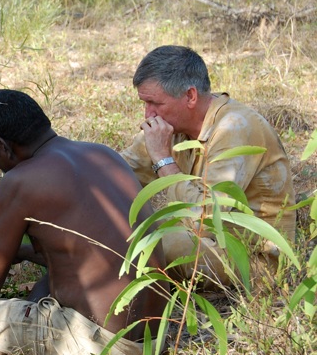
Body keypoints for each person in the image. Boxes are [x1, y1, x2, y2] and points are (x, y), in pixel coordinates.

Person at [0, 89, 169, 355]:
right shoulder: (104, 154)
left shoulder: (20, 181)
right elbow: (86, 248)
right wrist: (21, 252)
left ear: (3, 146)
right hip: (158, 335)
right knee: (47, 282)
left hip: (100, 346)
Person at [120, 45, 296, 289]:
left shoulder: (235, 127)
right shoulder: (172, 126)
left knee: (156, 239)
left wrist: (163, 160)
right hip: (209, 242)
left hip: (256, 261)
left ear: (190, 96)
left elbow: (205, 221)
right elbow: (119, 170)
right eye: (144, 103)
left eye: (154, 103)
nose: (148, 114)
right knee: (122, 226)